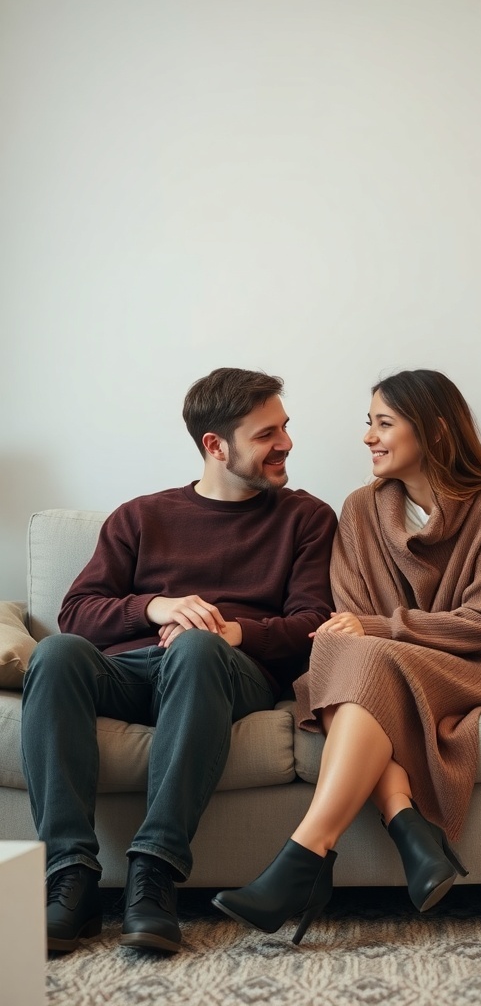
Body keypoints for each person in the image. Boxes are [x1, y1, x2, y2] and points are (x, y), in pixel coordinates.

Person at [212, 368, 481, 944]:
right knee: (341, 656)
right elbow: (346, 617)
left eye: (384, 423)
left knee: (355, 657)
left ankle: (306, 854)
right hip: (379, 667)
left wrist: (380, 628)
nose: (368, 436)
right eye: (369, 422)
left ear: (436, 432)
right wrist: (365, 632)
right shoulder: (361, 509)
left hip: (465, 667)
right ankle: (407, 825)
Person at [21, 367, 337, 954]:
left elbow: (316, 623)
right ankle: (70, 877)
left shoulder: (306, 518)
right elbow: (76, 613)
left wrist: (234, 631)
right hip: (130, 669)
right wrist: (157, 607)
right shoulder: (141, 516)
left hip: (222, 672)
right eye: (267, 434)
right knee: (58, 654)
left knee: (198, 647)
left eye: (285, 428)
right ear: (215, 446)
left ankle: (154, 873)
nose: (286, 444)